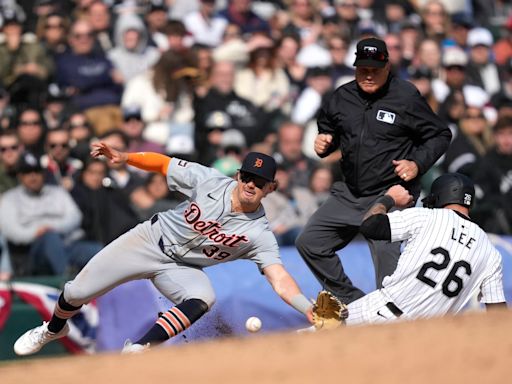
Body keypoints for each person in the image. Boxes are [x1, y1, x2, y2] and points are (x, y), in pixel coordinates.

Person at [13, 144, 315, 356]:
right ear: (238, 175)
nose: (251, 184)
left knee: (203, 298)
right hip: (148, 240)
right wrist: (125, 157)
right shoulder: (209, 180)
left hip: (182, 268)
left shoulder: (259, 233)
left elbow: (277, 276)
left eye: (260, 181)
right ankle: (53, 329)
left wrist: (307, 308)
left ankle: (141, 347)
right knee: (76, 292)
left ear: (271, 188)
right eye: (247, 176)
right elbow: (163, 163)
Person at [295, 37, 452, 304]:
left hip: (388, 195)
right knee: (310, 243)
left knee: (386, 261)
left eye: (374, 70)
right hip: (350, 193)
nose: (368, 75)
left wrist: (416, 163)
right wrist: (323, 142)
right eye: (362, 69)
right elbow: (328, 129)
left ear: (387, 67)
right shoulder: (341, 97)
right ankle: (355, 304)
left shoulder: (405, 96)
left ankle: (394, 316)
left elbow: (439, 134)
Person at [345, 173, 506, 325]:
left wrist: (389, 199)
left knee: (322, 328)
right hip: (424, 335)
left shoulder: (426, 217)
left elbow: (369, 225)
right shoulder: (490, 253)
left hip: (380, 312)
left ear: (438, 198)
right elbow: (498, 313)